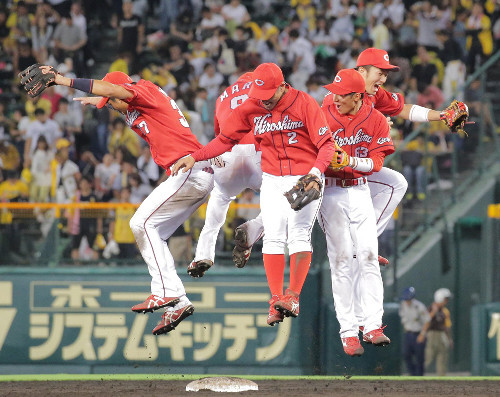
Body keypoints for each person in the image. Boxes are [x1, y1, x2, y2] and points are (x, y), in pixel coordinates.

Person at [22, 65, 215, 335]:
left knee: (140, 224)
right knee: (151, 232)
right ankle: (178, 302)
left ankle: (166, 293)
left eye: (111, 102)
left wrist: (64, 80)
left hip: (188, 170)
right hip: (193, 174)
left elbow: (117, 90)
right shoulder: (136, 101)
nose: (110, 106)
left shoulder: (143, 91)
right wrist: (98, 99)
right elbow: (115, 94)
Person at [172, 62, 336, 327]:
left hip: (304, 175)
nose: (265, 101)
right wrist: (195, 157)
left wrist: (316, 173)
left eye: (269, 95)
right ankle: (275, 302)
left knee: (297, 234)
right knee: (272, 238)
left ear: (283, 86)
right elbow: (225, 140)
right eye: (260, 96)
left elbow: (327, 145)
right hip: (271, 177)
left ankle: (292, 296)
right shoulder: (252, 106)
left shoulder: (304, 102)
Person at [321, 69, 394, 357]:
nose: (335, 98)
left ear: (357, 95)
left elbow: (377, 162)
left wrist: (350, 160)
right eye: (334, 92)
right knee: (341, 261)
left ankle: (373, 325)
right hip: (330, 190)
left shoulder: (375, 119)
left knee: (367, 258)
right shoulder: (323, 113)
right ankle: (349, 333)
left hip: (360, 189)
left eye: (342, 94)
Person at [188, 72, 263, 277]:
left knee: (220, 198)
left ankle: (203, 253)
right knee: (282, 202)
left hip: (227, 154)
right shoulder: (260, 89)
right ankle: (253, 228)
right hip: (258, 152)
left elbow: (219, 134)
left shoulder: (223, 96)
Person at [417, 287, 453, 376]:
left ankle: (442, 378)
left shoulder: (445, 311)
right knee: (428, 357)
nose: (446, 301)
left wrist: (449, 339)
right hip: (432, 335)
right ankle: (416, 374)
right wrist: (422, 334)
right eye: (445, 299)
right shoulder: (431, 308)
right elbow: (426, 321)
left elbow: (446, 326)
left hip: (442, 335)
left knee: (443, 357)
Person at [399, 286, 430, 376]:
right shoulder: (403, 305)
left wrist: (422, 334)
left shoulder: (419, 306)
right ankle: (412, 374)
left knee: (420, 357)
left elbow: (427, 320)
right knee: (406, 354)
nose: (407, 301)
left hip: (418, 334)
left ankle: (419, 376)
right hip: (408, 334)